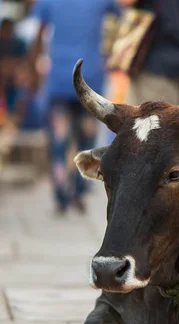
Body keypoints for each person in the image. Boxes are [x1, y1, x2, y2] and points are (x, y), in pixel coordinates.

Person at [28, 0, 120, 215]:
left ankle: (61, 196)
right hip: (90, 79)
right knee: (86, 140)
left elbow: (38, 35)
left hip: (59, 79)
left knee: (58, 143)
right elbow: (121, 14)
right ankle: (79, 191)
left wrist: (33, 70)